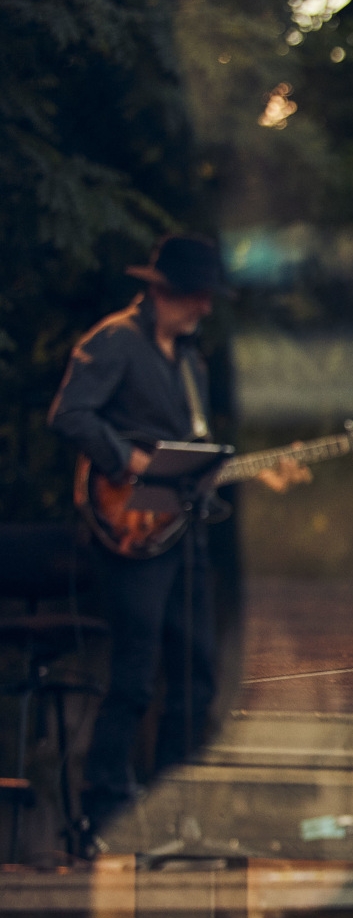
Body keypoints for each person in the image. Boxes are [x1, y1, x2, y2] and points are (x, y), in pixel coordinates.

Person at [49, 234, 310, 846]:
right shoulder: (115, 340)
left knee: (195, 678)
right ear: (164, 291)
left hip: (182, 534)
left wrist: (257, 471)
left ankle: (174, 814)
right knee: (135, 675)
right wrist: (127, 461)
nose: (205, 309)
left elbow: (190, 456)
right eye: (198, 296)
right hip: (128, 531)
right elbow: (70, 413)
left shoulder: (189, 362)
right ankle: (105, 812)